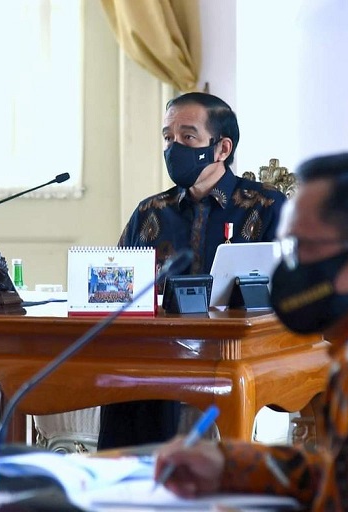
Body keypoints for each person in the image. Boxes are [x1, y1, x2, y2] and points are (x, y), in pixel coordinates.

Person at [154, 152, 348, 510]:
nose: (288, 268)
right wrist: (229, 465)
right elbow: (343, 477)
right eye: (286, 247)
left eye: (302, 248)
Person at [97, 92, 287, 450]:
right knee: (129, 377)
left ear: (221, 148)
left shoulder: (265, 207)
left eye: (188, 137)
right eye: (168, 138)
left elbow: (289, 291)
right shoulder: (150, 211)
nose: (174, 148)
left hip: (237, 353)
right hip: (159, 351)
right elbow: (120, 285)